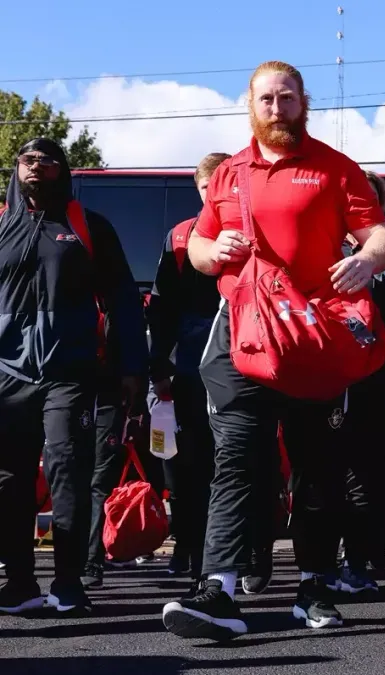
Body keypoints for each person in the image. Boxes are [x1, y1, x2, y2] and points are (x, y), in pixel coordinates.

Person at [161, 61, 385, 640]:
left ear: (303, 103)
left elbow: (381, 235)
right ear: (250, 105)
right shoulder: (229, 174)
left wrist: (367, 261)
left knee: (316, 467)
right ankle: (219, 589)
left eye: (285, 98)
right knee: (237, 460)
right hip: (240, 340)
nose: (275, 108)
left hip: (310, 339)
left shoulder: (335, 169)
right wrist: (210, 253)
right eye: (265, 99)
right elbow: (199, 242)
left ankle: (313, 584)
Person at [0, 138, 146, 615]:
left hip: (70, 371)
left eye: (47, 159)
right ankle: (20, 583)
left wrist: (132, 369)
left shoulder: (89, 228)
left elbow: (124, 301)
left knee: (67, 472)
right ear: (15, 171)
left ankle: (67, 582)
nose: (36, 166)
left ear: (63, 170)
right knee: (10, 480)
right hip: (7, 375)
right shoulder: (2, 225)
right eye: (27, 159)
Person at [143, 153, 229, 593]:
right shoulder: (179, 238)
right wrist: (159, 367)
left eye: (221, 184)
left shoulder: (252, 233)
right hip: (189, 369)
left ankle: (236, 556)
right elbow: (161, 310)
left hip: (239, 365)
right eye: (204, 187)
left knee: (235, 464)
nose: (213, 194)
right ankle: (191, 550)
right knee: (187, 465)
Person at [335, 169, 385, 592]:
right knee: (330, 472)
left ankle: (361, 554)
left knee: (375, 470)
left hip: (380, 377)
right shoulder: (330, 252)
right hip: (333, 379)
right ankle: (334, 559)